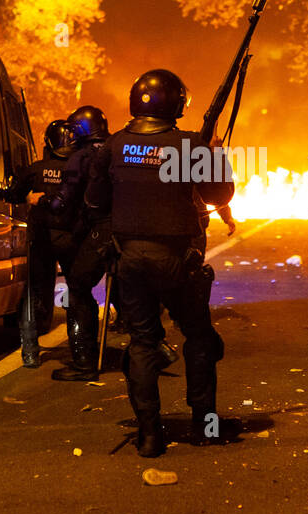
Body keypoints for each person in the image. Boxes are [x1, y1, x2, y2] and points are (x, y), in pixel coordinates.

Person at [84, 69, 234, 457]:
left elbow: (95, 205)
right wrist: (214, 153)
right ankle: (205, 425)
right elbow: (220, 193)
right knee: (198, 338)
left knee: (142, 342)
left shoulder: (112, 147)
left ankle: (150, 435)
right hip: (179, 262)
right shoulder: (189, 147)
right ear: (178, 104)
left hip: (130, 261)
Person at [46, 105, 113, 380]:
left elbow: (64, 200)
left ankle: (84, 360)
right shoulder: (120, 146)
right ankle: (157, 347)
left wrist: (45, 203)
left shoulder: (81, 157)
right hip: (130, 228)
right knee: (128, 288)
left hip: (100, 230)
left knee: (78, 285)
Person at [7, 119, 78, 367]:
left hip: (41, 239)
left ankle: (29, 348)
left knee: (35, 290)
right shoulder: (79, 168)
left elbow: (12, 194)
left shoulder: (35, 169)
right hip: (71, 238)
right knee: (76, 291)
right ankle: (79, 348)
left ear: (49, 142)